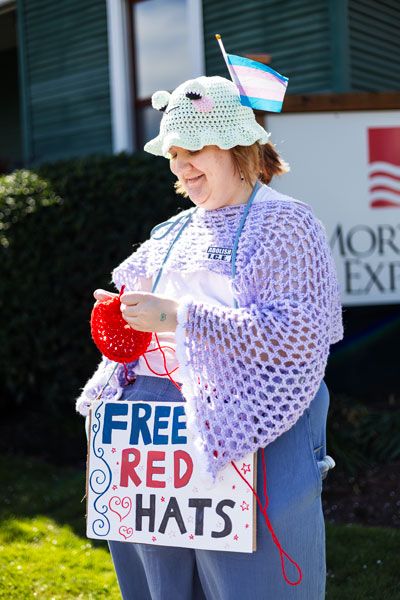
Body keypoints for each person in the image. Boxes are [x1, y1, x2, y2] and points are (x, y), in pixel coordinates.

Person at [76, 75, 343, 600]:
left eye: (192, 148)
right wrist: (121, 325)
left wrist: (179, 316)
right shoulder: (171, 232)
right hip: (154, 444)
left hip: (253, 433)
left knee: (250, 581)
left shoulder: (284, 223)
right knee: (161, 583)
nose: (179, 166)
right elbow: (139, 340)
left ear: (237, 146)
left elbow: (298, 335)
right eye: (173, 153)